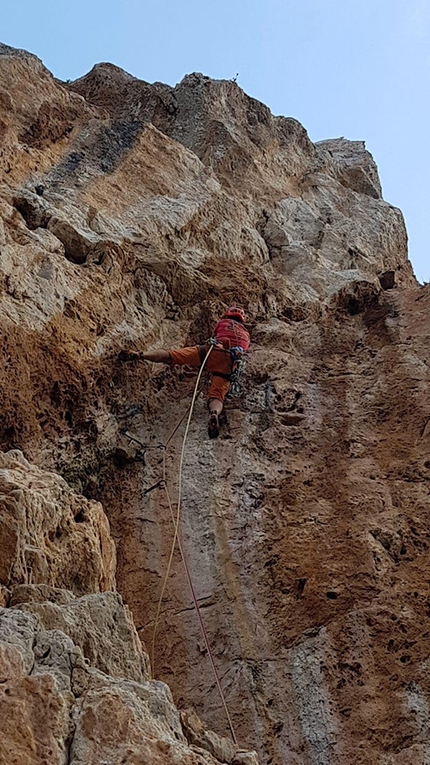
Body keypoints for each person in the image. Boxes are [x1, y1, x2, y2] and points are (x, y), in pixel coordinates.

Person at [119, 307, 250, 439]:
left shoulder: (223, 323)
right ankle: (214, 413)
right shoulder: (246, 333)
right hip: (230, 362)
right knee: (217, 395)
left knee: (173, 355)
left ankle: (141, 355)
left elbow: (215, 335)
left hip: (212, 350)